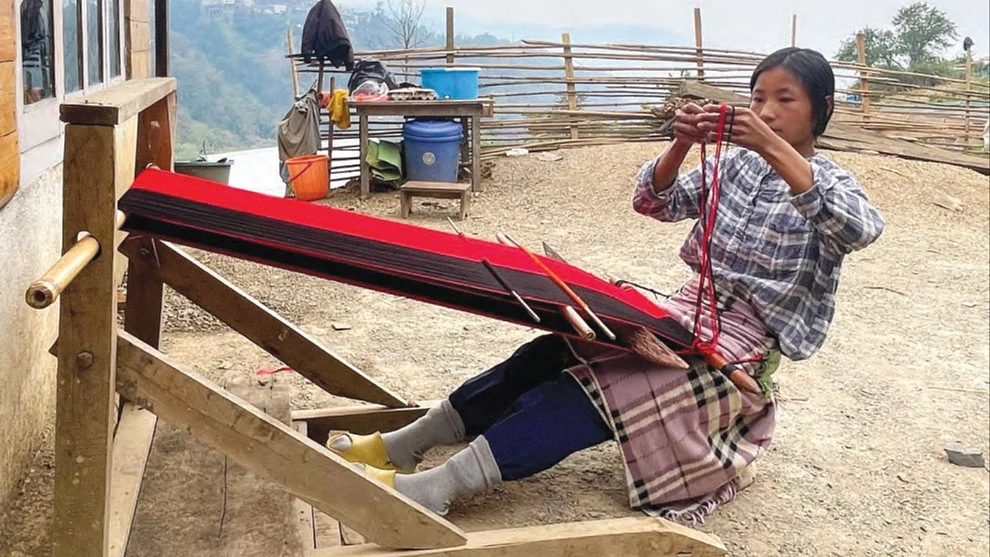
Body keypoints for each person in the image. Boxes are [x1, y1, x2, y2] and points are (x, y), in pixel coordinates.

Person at [326, 47, 886, 525]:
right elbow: (652, 201)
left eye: (784, 100)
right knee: (555, 347)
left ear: (822, 110)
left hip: (739, 351)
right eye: (758, 97)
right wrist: (681, 144)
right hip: (683, 313)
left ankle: (440, 487)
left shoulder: (833, 182)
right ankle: (408, 443)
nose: (765, 110)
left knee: (603, 389)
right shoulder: (732, 169)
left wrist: (774, 149)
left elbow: (859, 229)